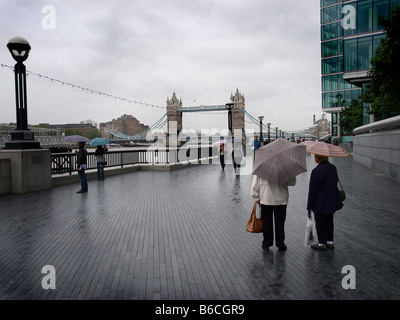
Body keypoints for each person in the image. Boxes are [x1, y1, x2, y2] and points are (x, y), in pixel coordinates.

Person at [306, 154, 343, 250]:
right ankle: (330, 241)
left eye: (315, 156)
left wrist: (309, 206)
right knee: (329, 221)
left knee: (320, 221)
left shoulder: (316, 171)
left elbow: (312, 190)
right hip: (331, 199)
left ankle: (322, 243)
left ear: (318, 158)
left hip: (320, 201)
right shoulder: (333, 168)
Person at [251, 175, 296, 252]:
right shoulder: (284, 168)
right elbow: (292, 182)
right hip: (281, 199)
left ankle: (266, 243)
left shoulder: (262, 168)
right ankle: (280, 244)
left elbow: (255, 184)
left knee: (266, 222)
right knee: (280, 223)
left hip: (266, 198)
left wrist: (256, 196)